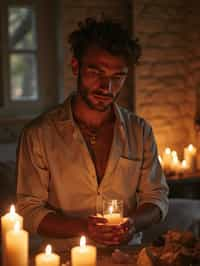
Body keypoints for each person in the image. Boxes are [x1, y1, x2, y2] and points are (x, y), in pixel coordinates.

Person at [16, 17, 169, 250]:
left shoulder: (140, 131)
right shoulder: (39, 134)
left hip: (126, 255)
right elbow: (29, 210)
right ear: (76, 66)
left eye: (117, 77)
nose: (106, 88)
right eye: (96, 72)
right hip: (65, 256)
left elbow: (157, 197)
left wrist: (132, 224)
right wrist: (84, 228)